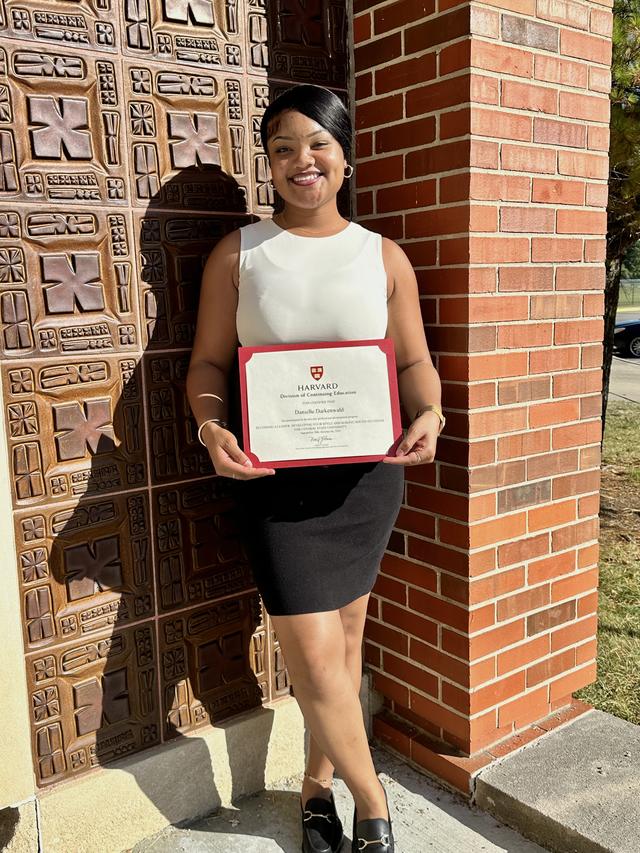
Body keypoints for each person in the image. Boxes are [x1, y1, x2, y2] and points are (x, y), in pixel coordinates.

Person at [186, 83, 444, 853]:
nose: (303, 161)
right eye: (283, 148)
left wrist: (430, 413)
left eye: (318, 144)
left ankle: (316, 787)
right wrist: (209, 427)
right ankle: (374, 802)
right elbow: (206, 361)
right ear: (268, 164)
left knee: (346, 642)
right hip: (273, 482)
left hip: (366, 478)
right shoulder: (240, 253)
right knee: (312, 648)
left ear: (344, 155)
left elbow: (415, 362)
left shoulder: (383, 257)